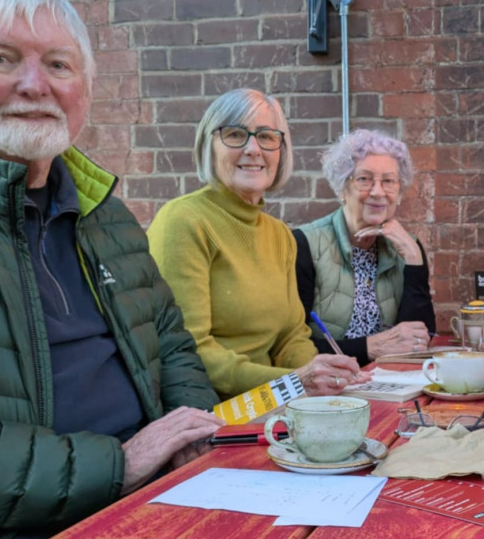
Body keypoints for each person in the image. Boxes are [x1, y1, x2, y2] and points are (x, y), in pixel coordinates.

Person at [0, 0, 300, 539]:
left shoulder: (103, 213)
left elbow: (170, 340)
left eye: (57, 63)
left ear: (85, 87)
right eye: (0, 58)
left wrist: (191, 434)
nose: (33, 84)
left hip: (142, 495)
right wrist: (119, 463)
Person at [147, 88, 368, 400]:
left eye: (266, 136)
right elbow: (187, 351)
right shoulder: (183, 221)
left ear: (281, 150)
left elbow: (290, 338)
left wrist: (328, 375)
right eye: (236, 134)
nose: (253, 149)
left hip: (273, 403)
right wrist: (293, 383)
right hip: (212, 412)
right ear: (208, 146)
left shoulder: (280, 235)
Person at [293, 129, 435, 366]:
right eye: (364, 179)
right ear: (342, 189)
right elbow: (290, 345)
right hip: (326, 386)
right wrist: (370, 347)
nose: (378, 192)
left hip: (388, 382)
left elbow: (419, 339)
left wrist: (413, 257)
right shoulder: (305, 244)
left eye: (388, 181)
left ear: (399, 193)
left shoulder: (407, 246)